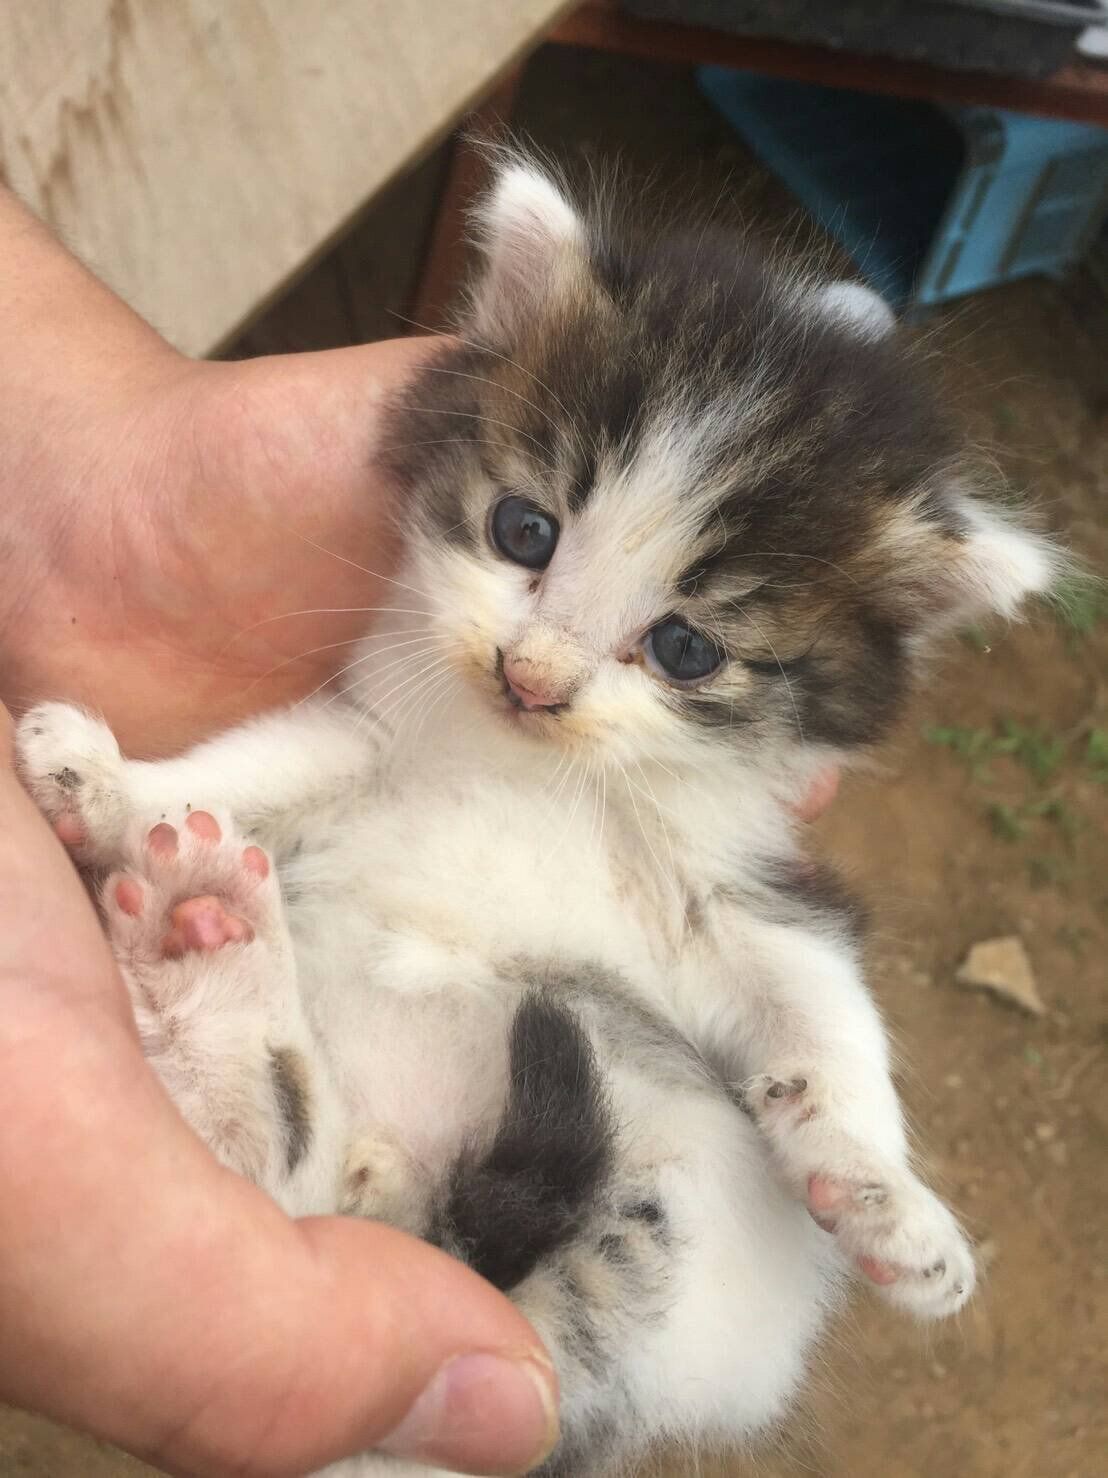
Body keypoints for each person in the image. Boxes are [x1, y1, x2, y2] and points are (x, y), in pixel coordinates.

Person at [0, 183, 838, 1478]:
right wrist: (141, 780)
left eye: (676, 642)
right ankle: (281, 1092)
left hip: (538, 1060)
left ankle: (278, 1090)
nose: (537, 671)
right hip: (426, 1013)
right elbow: (352, 746)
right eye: (522, 533)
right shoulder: (430, 640)